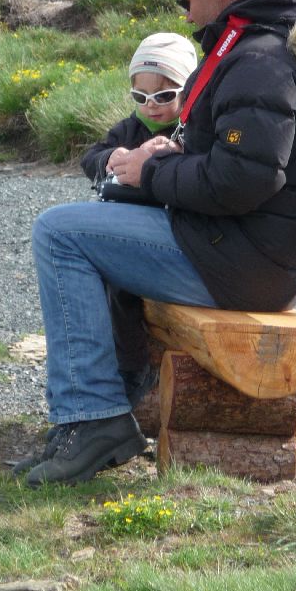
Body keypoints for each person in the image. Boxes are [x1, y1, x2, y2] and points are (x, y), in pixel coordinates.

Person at [14, 0, 296, 487]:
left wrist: (152, 171)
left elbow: (240, 183)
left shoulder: (261, 60)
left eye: (184, 0)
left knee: (61, 233)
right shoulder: (285, 44)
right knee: (89, 222)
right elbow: (246, 162)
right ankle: (103, 409)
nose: (186, 17)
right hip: (251, 252)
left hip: (235, 263)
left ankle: (92, 420)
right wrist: (170, 154)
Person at [80, 32, 198, 408]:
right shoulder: (129, 129)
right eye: (140, 96)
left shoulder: (190, 132)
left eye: (164, 96)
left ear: (188, 92)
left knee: (122, 285)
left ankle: (133, 367)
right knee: (97, 279)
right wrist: (110, 158)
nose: (151, 106)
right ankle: (98, 363)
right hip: (123, 220)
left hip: (163, 231)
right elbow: (91, 157)